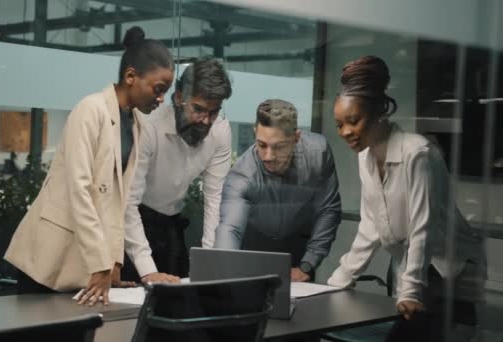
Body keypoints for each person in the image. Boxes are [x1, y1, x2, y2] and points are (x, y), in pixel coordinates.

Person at [4, 26, 174, 306]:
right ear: (131, 76)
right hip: (48, 259)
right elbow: (80, 191)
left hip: (81, 264)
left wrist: (115, 261)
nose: (161, 99)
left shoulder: (137, 124)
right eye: (158, 89)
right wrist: (101, 263)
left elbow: (120, 202)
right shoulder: (90, 109)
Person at [327, 55, 485, 340]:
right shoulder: (365, 157)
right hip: (419, 268)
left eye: (353, 120)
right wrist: (340, 280)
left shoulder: (417, 153)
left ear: (378, 112)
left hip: (451, 269)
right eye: (339, 125)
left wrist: (410, 289)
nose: (346, 132)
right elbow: (370, 226)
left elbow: (422, 228)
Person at [122, 57, 233, 283]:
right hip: (134, 223)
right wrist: (147, 270)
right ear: (180, 97)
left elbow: (215, 199)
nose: (205, 121)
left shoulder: (220, 130)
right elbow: (128, 202)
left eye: (213, 112)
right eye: (199, 109)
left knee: (183, 296)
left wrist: (210, 263)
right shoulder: (148, 125)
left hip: (172, 223)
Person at [214, 99, 342, 282]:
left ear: (296, 138)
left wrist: (308, 264)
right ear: (255, 133)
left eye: (279, 147)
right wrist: (225, 274)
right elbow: (230, 228)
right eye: (262, 144)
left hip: (297, 251)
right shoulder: (242, 176)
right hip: (252, 252)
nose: (268, 156)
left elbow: (328, 209)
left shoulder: (318, 153)